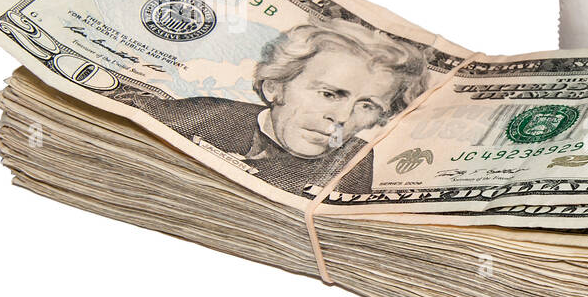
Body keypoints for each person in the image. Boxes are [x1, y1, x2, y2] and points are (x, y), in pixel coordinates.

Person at [141, 18, 429, 195]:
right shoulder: (200, 116)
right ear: (275, 86)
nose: (341, 117)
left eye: (366, 106)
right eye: (329, 94)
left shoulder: (354, 163)